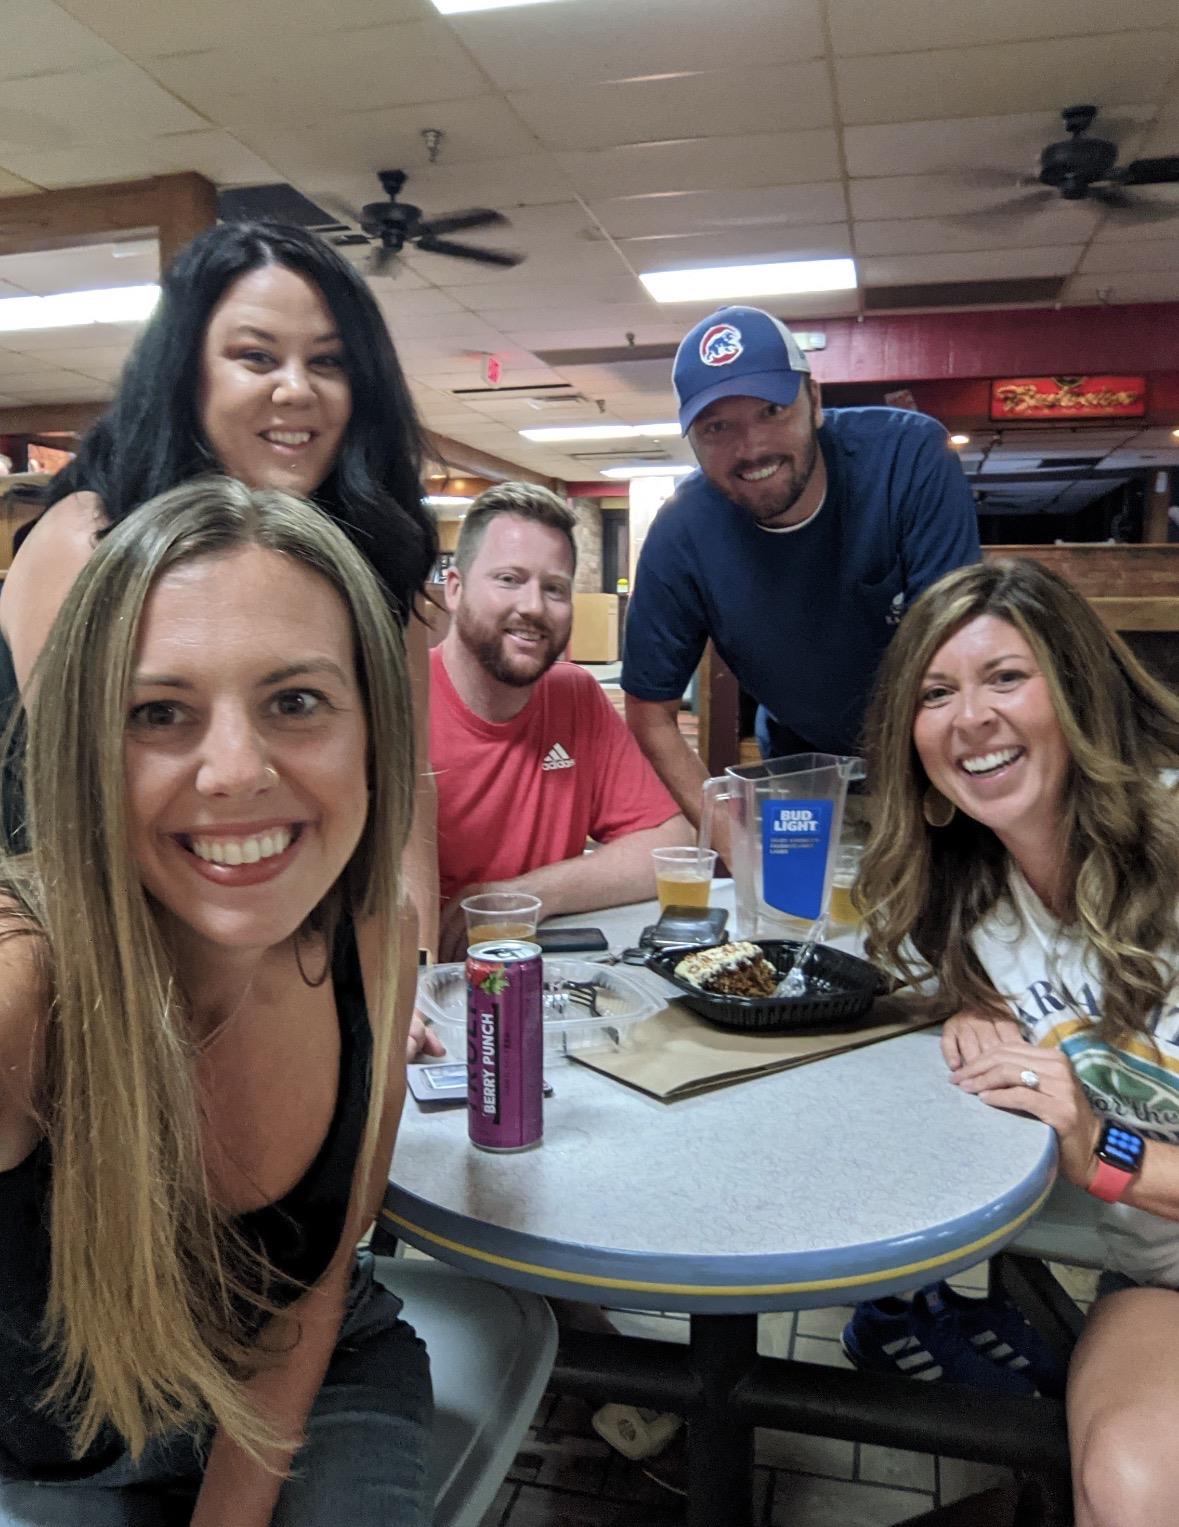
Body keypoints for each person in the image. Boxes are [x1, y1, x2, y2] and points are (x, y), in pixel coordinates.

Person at [0, 476, 432, 1526]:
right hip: (58, 1463)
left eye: (296, 701)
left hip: (316, 1386)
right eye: (158, 713)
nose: (235, 771)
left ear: (373, 734)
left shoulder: (381, 938)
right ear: (83, 748)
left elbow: (320, 1280)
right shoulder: (23, 994)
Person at [0, 220, 441, 988]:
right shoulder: (87, 541)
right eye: (256, 357)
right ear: (188, 374)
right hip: (94, 967)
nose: (297, 388)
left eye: (329, 361)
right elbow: (86, 822)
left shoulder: (375, 561)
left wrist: (405, 978)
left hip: (288, 960)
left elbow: (405, 791)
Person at [858, 556, 1179, 1527]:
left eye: (1006, 677)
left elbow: (1096, 1146)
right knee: (1127, 1491)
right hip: (1160, 1276)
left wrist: (1101, 1151)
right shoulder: (978, 904)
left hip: (1138, 1219)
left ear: (1077, 693)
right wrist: (969, 1005)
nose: (970, 718)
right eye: (937, 693)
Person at [622, 304, 980, 837]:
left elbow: (958, 666)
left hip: (937, 752)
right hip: (803, 761)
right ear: (692, 441)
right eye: (718, 427)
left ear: (813, 402)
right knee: (802, 909)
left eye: (771, 411)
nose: (751, 447)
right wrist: (736, 846)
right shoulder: (682, 531)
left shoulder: (909, 459)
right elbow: (651, 715)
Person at [431, 482, 691, 962]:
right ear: (455, 588)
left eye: (554, 588)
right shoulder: (399, 703)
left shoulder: (576, 695)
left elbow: (671, 844)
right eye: (509, 579)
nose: (533, 606)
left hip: (544, 981)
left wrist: (527, 896)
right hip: (419, 994)